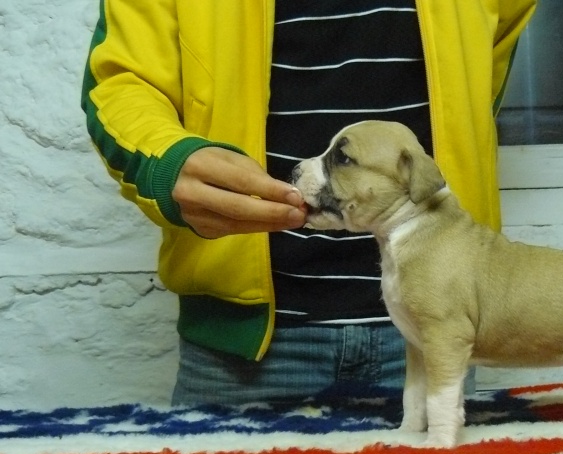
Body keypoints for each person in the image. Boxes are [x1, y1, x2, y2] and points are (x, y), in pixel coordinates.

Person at [81, 1, 536, 406]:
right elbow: (120, 83)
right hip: (243, 352)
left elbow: (481, 72)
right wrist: (167, 162)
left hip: (436, 324)